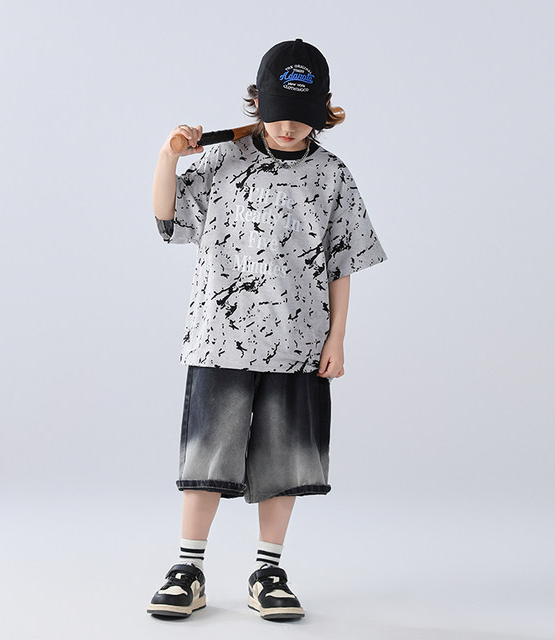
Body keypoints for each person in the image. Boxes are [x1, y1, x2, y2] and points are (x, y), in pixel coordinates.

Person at [147, 38, 388, 621]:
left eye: (302, 116)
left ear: (322, 112)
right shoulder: (222, 161)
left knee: (284, 460)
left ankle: (268, 571)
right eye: (278, 112)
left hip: (299, 342)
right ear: (257, 103)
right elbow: (167, 220)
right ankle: (188, 570)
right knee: (207, 455)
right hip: (220, 337)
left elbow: (341, 262)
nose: (288, 126)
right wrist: (167, 156)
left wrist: (337, 338)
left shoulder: (333, 175)